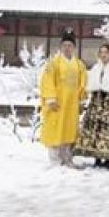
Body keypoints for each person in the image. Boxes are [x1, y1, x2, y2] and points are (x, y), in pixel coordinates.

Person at [39, 27, 87, 167]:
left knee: (69, 131)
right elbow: (47, 82)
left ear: (74, 47)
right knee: (55, 130)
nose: (67, 48)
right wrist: (50, 99)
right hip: (57, 104)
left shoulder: (79, 65)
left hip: (71, 105)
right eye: (65, 45)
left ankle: (67, 158)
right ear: (60, 46)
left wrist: (81, 101)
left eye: (70, 45)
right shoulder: (53, 64)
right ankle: (55, 161)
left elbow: (83, 84)